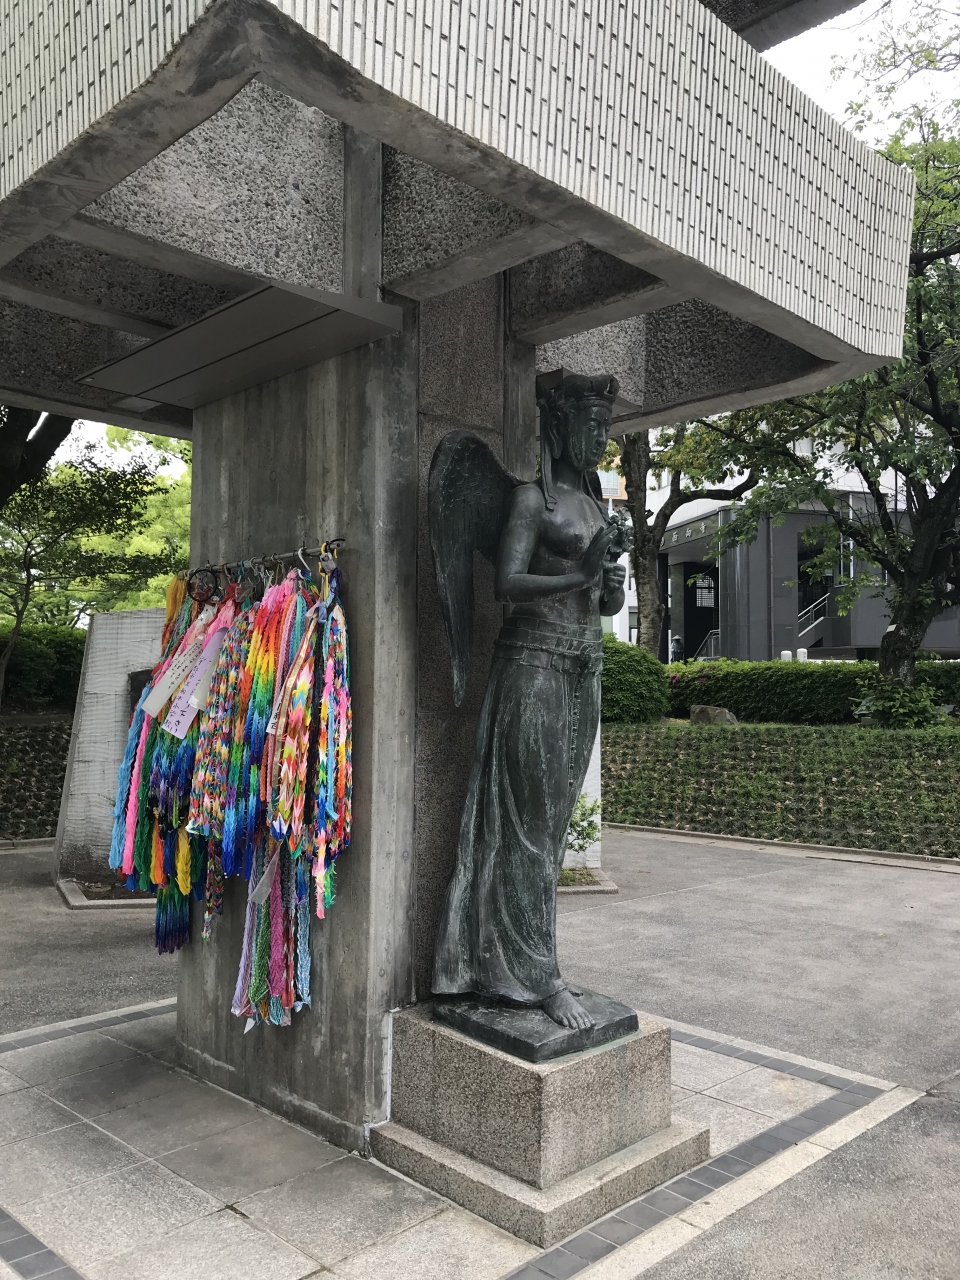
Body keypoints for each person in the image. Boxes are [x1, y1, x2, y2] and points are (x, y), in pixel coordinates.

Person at [432, 375, 630, 1029]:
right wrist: (579, 573)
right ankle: (534, 978)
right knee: (529, 828)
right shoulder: (529, 499)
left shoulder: (594, 504)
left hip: (583, 666)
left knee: (551, 825)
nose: (600, 439)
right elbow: (507, 584)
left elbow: (604, 602)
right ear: (562, 427)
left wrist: (609, 582)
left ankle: (512, 966)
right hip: (534, 665)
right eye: (592, 426)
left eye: (606, 428)